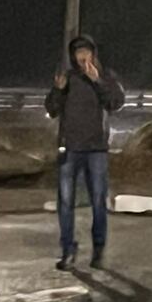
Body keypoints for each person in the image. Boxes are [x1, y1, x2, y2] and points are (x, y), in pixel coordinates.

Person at [44, 35, 124, 270]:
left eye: (86, 51)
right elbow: (51, 110)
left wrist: (97, 81)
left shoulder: (106, 75)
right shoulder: (68, 79)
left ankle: (98, 249)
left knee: (98, 201)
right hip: (70, 148)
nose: (82, 56)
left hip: (96, 149)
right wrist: (58, 91)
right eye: (78, 52)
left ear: (93, 53)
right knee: (66, 201)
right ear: (73, 56)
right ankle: (68, 249)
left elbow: (116, 102)